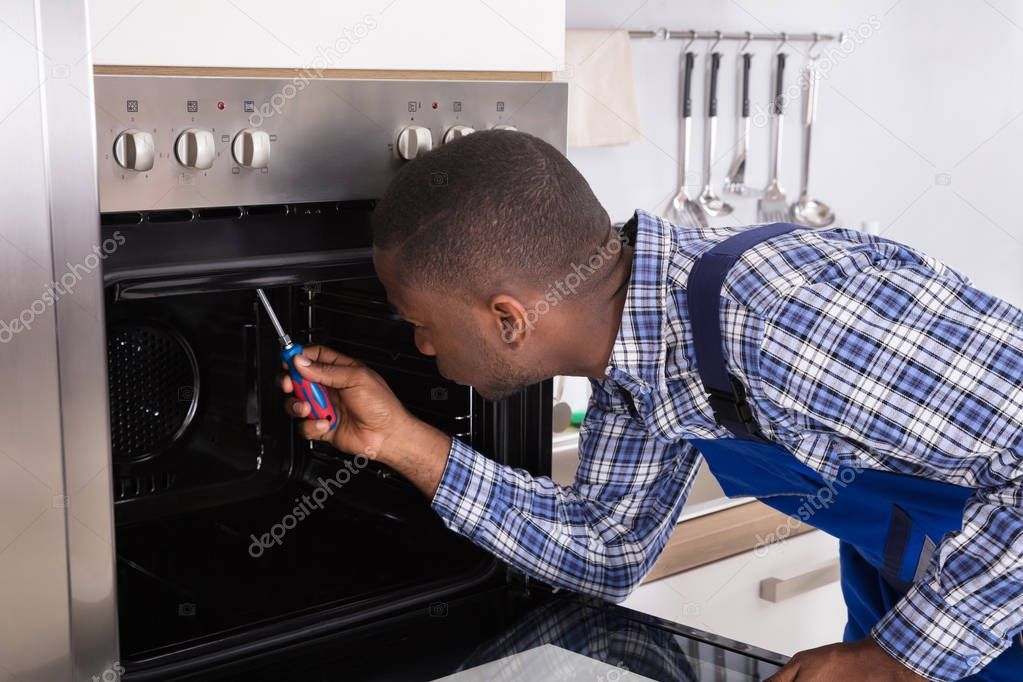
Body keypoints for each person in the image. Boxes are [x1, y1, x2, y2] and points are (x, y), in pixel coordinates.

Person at [280, 130, 1023, 681]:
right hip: (918, 607)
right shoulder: (638, 358)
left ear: (507, 318)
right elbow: (608, 546)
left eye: (420, 323)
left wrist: (892, 660)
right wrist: (401, 441)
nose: (419, 348)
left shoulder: (775, 318)